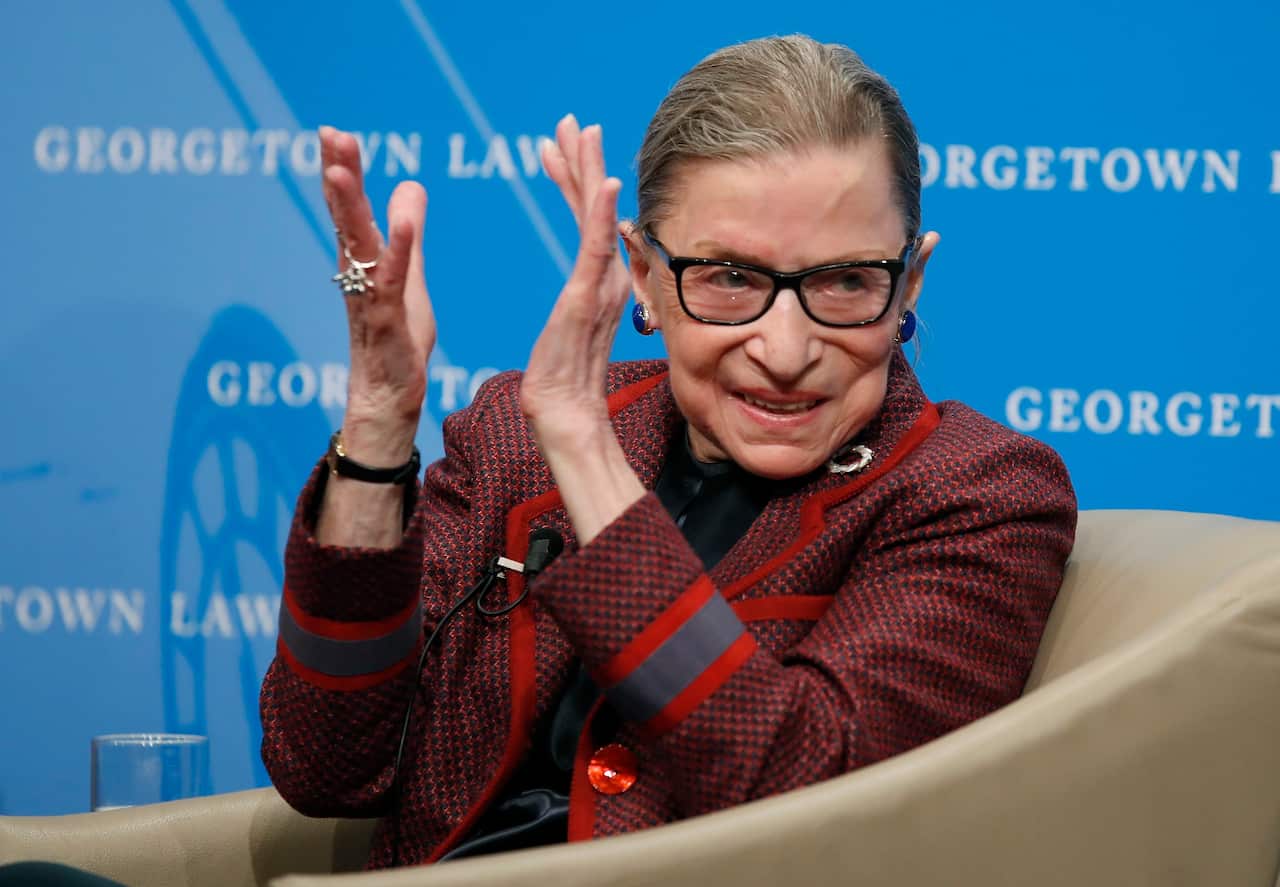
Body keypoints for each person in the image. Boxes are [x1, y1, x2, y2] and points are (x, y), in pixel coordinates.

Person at [260, 34, 1076, 870]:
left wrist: (586, 451)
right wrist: (379, 425)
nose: (785, 350)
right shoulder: (513, 439)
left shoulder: (978, 490)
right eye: (731, 278)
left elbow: (812, 801)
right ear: (645, 273)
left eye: (844, 281)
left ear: (907, 284)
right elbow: (326, 765)